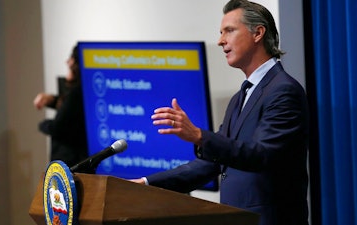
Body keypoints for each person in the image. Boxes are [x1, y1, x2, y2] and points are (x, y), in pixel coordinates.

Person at [130, 1, 309, 225]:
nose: (220, 41)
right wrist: (147, 183)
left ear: (258, 33)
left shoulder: (283, 90)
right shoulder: (240, 97)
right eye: (220, 33)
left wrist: (199, 136)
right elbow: (213, 164)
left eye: (229, 31)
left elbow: (262, 154)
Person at [34, 45, 90, 171]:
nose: (67, 62)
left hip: (71, 162)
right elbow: (71, 111)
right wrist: (52, 100)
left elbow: (58, 127)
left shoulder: (77, 93)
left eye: (72, 58)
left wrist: (42, 124)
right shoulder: (84, 90)